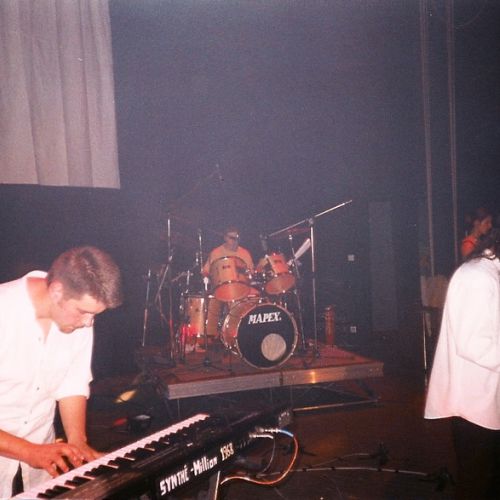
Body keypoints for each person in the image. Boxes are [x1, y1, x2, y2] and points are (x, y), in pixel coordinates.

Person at [0, 246, 123, 496]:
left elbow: (72, 383)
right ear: (57, 291)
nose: (88, 323)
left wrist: (78, 441)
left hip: (40, 458)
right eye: (84, 312)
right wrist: (28, 451)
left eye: (94, 315)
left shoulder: (77, 319)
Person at [424, 230, 500, 498]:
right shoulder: (477, 276)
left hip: (487, 399)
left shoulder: (490, 273)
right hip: (476, 404)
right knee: (478, 484)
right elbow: (473, 344)